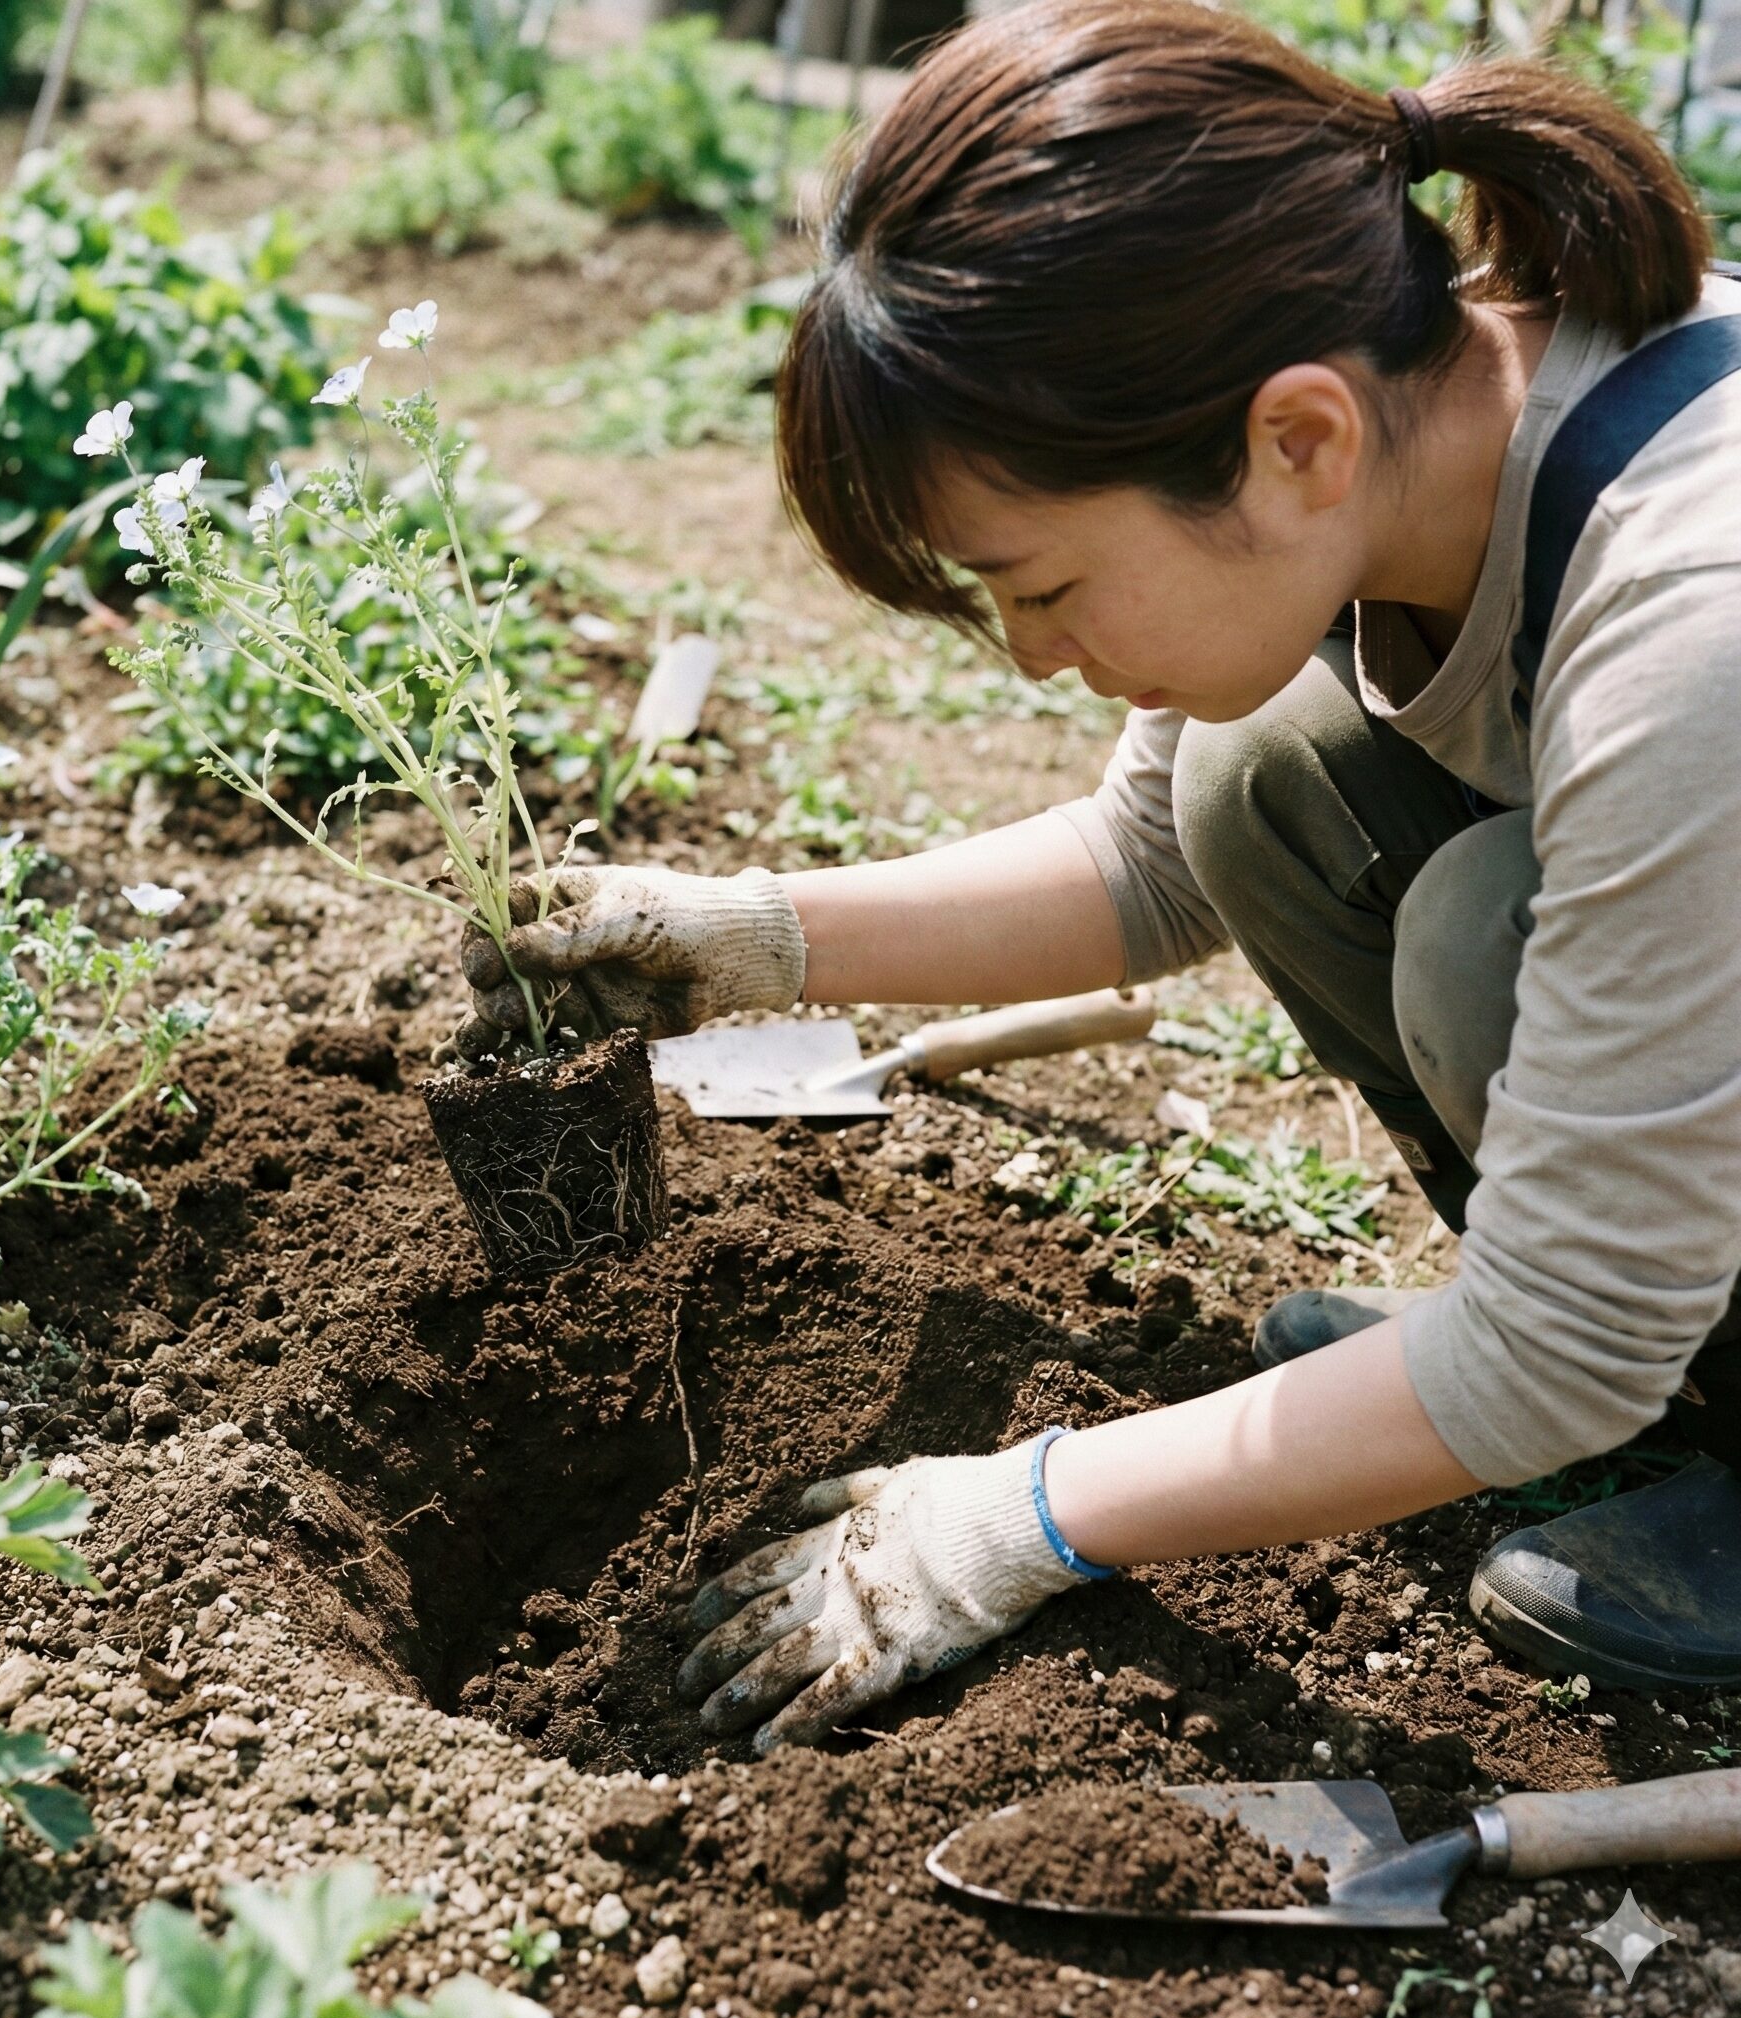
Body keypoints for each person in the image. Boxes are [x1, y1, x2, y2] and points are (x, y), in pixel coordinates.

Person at [459, 0, 1741, 1753]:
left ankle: (1675, 1380)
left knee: (1478, 947)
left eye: (1044, 587)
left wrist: (1021, 1515)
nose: (1030, 655)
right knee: (1271, 774)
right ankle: (1679, 1369)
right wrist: (745, 941)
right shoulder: (1425, 430)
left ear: (1294, 441)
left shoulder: (1695, 622)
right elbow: (1151, 858)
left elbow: (1561, 1338)